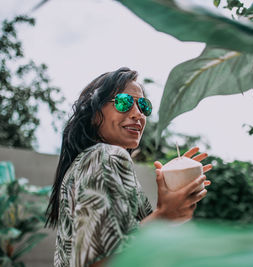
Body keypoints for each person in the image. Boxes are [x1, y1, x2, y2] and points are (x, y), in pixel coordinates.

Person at [45, 67, 212, 267]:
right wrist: (163, 215)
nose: (137, 114)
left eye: (143, 105)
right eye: (123, 103)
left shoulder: (86, 162)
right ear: (94, 113)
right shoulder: (106, 156)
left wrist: (172, 209)